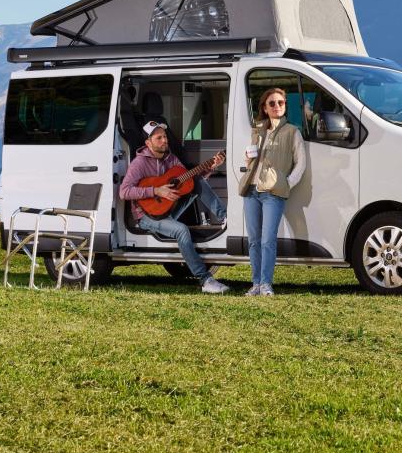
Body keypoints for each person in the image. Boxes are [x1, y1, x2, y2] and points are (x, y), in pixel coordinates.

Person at [119, 120, 230, 294]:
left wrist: (210, 167)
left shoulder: (171, 158)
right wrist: (156, 190)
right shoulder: (139, 164)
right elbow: (124, 192)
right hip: (148, 216)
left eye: (165, 136)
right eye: (159, 138)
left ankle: (224, 217)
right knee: (181, 230)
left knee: (197, 180)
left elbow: (187, 179)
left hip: (169, 209)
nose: (165, 140)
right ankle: (206, 280)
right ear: (148, 143)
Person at [239, 87, 306, 296]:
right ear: (265, 108)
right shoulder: (258, 129)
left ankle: (266, 283)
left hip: (273, 193)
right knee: (253, 241)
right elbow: (251, 159)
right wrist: (248, 159)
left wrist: (286, 184)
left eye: (281, 103)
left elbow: (301, 163)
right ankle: (256, 284)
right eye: (272, 103)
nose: (277, 106)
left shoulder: (292, 131)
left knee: (268, 240)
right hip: (251, 190)